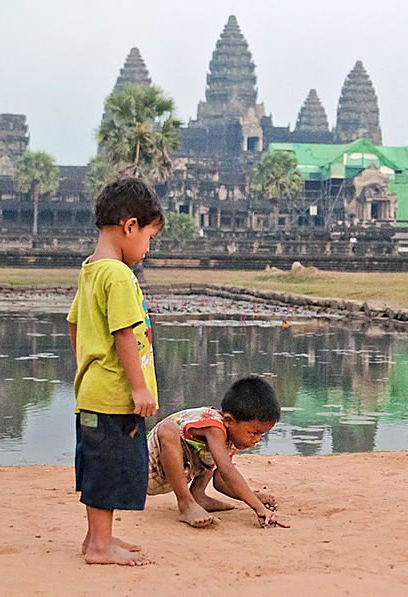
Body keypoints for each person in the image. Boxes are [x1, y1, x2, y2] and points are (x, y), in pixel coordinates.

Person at [67, 178, 164, 565]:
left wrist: (86, 367)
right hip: (114, 397)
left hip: (93, 391)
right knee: (111, 468)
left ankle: (96, 538)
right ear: (130, 226)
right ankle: (101, 547)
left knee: (97, 465)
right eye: (149, 237)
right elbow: (124, 331)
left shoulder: (90, 270)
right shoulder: (119, 275)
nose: (146, 248)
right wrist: (139, 389)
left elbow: (73, 323)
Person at [146, 376, 288, 529]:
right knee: (168, 429)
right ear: (228, 421)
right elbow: (227, 471)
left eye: (262, 435)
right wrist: (259, 508)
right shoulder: (215, 427)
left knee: (213, 453)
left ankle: (198, 495)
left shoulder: (230, 439)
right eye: (253, 433)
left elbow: (221, 480)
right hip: (145, 470)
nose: (257, 440)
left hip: (172, 475)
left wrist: (254, 498)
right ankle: (186, 504)